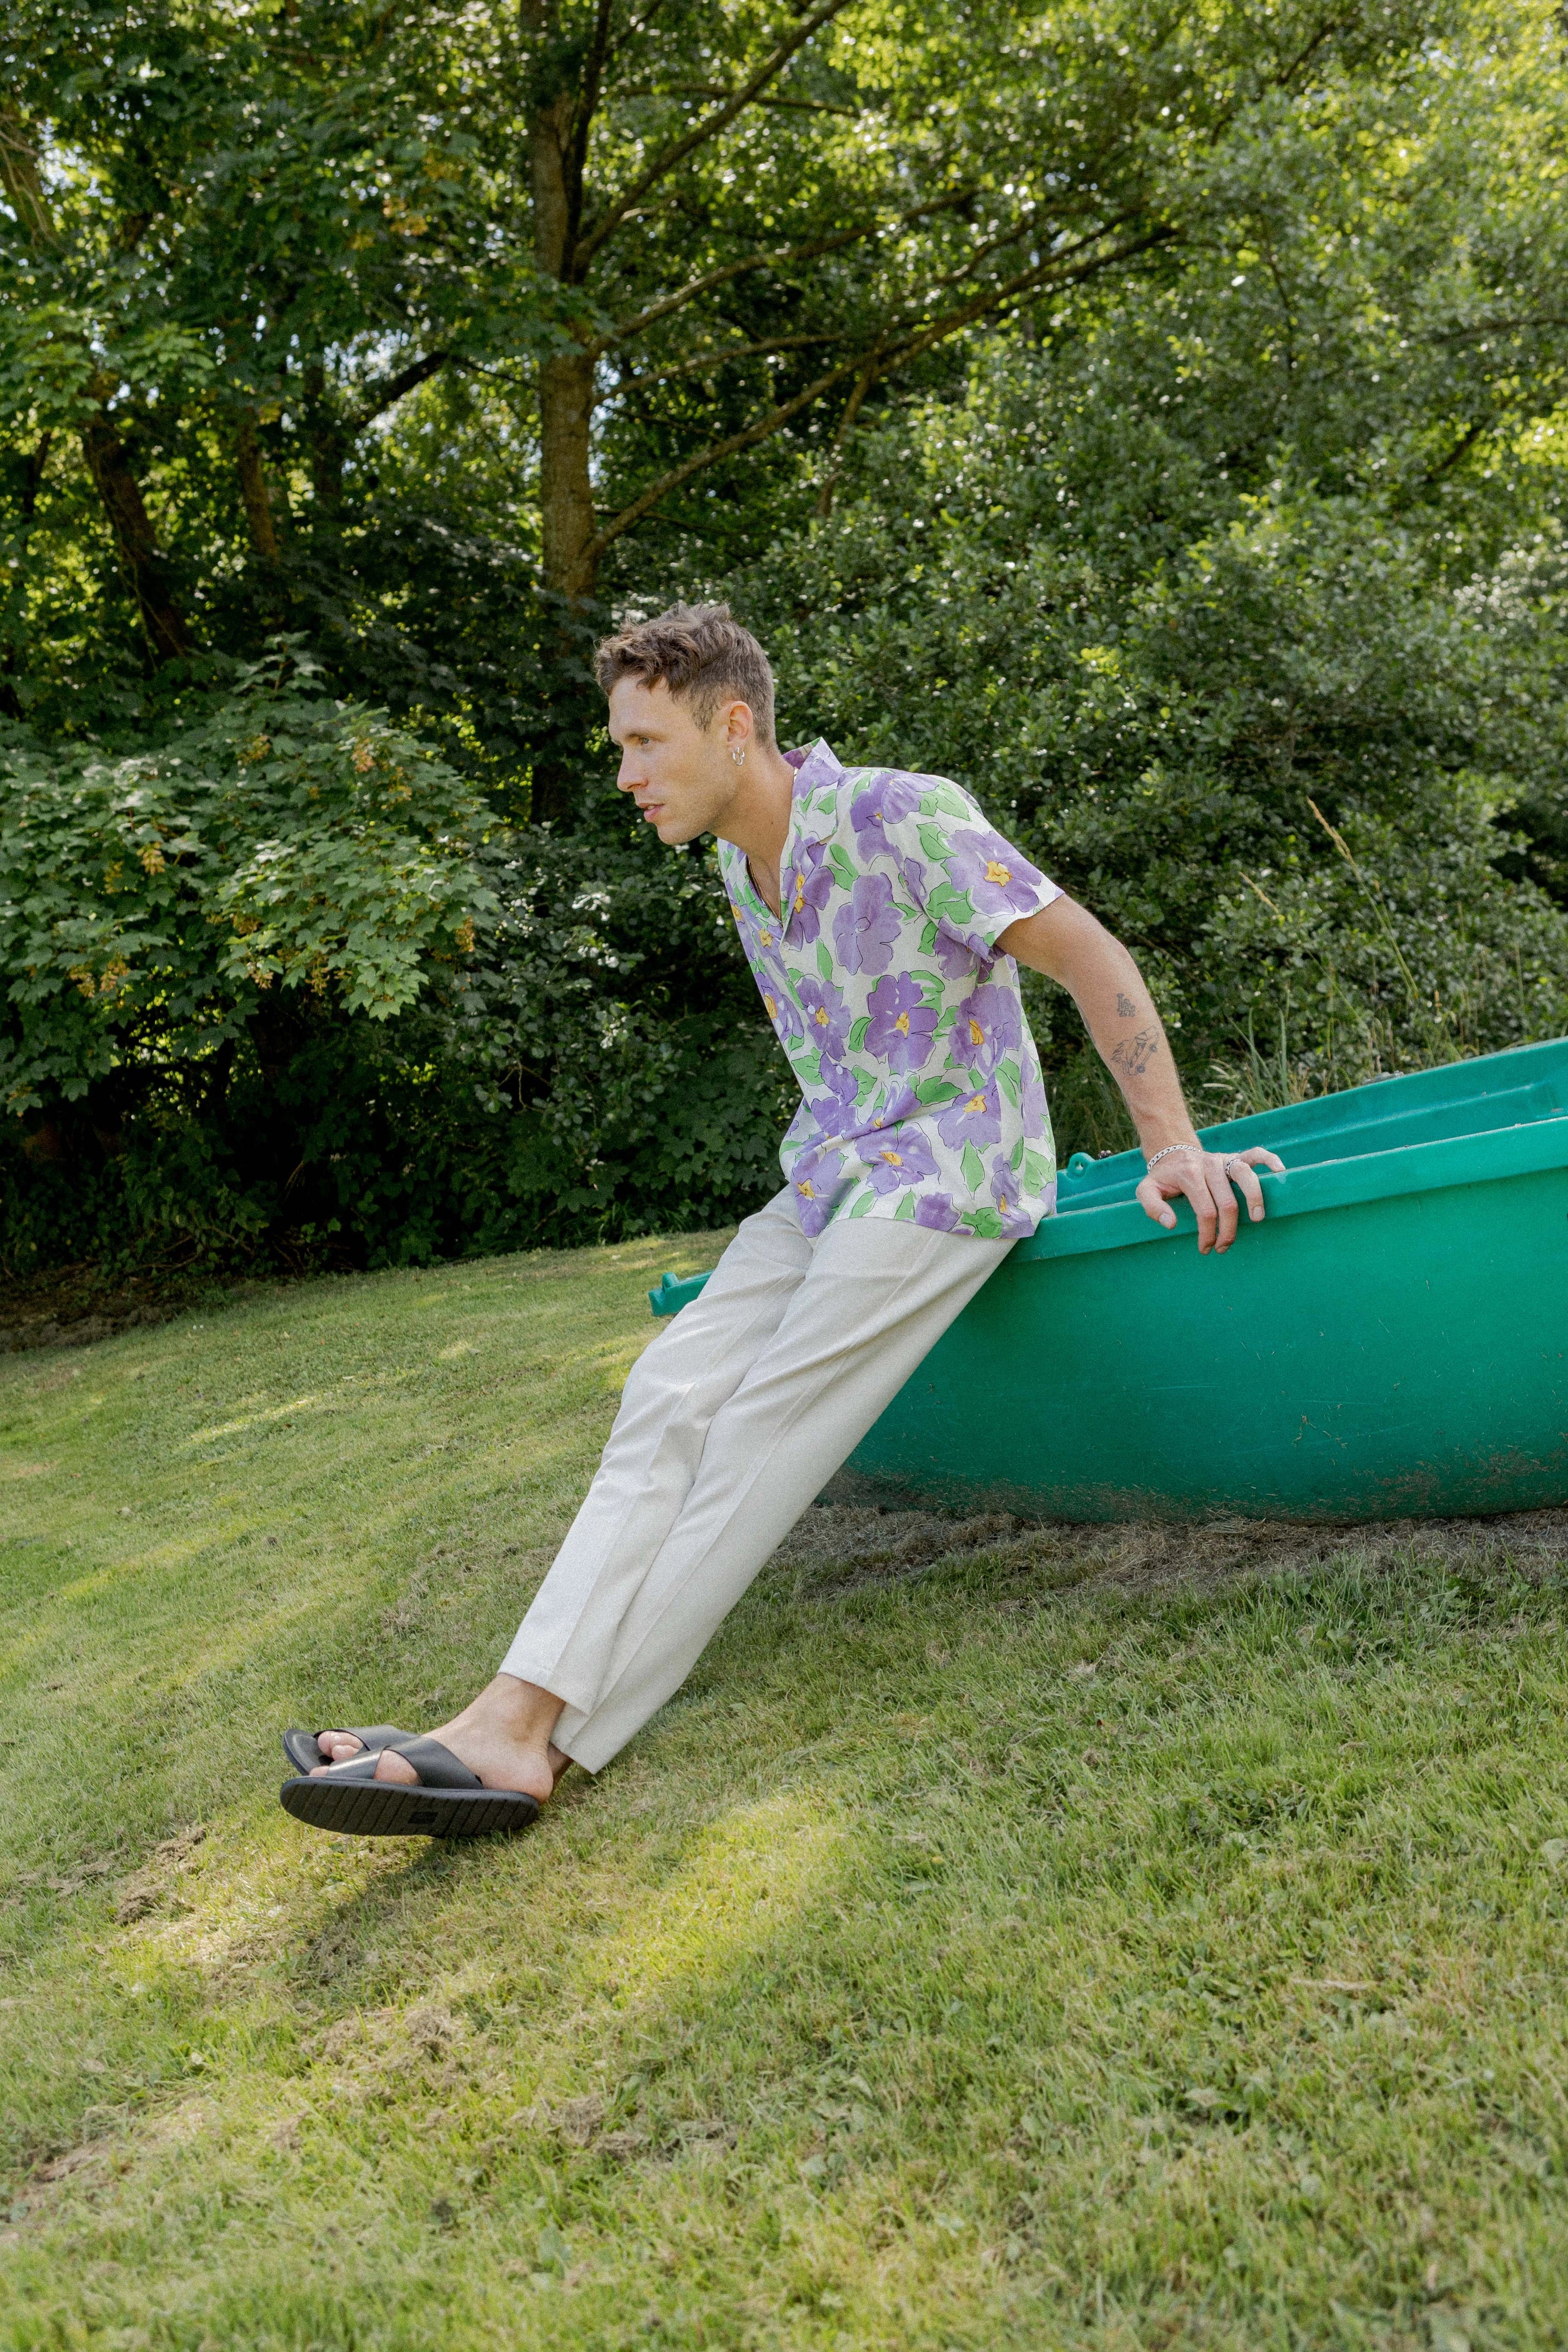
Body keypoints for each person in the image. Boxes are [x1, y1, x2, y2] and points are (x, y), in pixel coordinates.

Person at [280, 604, 1283, 1838]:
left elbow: (1089, 954)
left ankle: (519, 1736)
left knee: (764, 1422)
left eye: (645, 742)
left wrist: (1170, 1146)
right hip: (831, 1176)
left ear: (734, 723)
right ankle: (503, 1719)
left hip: (947, 1173)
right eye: (619, 747)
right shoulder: (736, 865)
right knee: (668, 1392)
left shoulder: (900, 815)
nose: (626, 774)